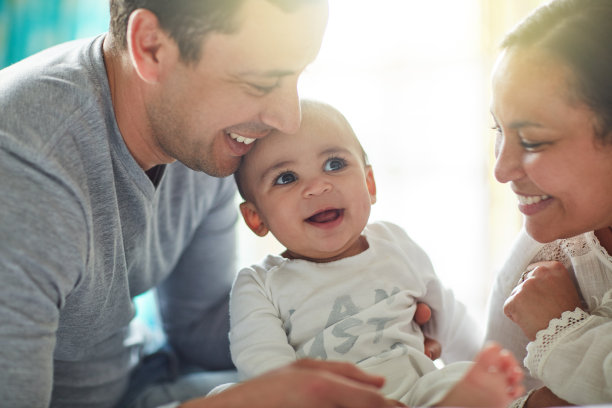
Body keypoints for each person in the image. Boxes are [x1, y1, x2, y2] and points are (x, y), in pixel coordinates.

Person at [0, 1, 434, 407]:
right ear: (151, 48)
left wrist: (350, 320)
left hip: (142, 382)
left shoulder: (201, 139)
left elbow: (195, 328)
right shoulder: (24, 170)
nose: (287, 119)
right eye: (260, 82)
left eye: (296, 76)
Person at [229, 99, 525, 407]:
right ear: (256, 217)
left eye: (334, 164)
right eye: (286, 178)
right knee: (226, 397)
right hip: (330, 401)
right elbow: (263, 367)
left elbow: (446, 318)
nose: (317, 186)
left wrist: (481, 365)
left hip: (415, 392)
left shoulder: (394, 244)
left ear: (369, 182)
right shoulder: (259, 284)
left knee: (457, 377)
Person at [485, 0, 612, 406]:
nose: (501, 170)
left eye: (533, 140)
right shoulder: (540, 256)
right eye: (498, 130)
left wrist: (562, 331)